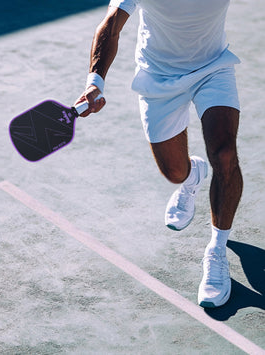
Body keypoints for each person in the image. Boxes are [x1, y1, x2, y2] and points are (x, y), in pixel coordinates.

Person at [76, 0, 243, 308]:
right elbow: (112, 25)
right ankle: (192, 175)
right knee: (174, 172)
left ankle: (217, 250)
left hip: (213, 68)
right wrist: (95, 81)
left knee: (224, 154)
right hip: (158, 76)